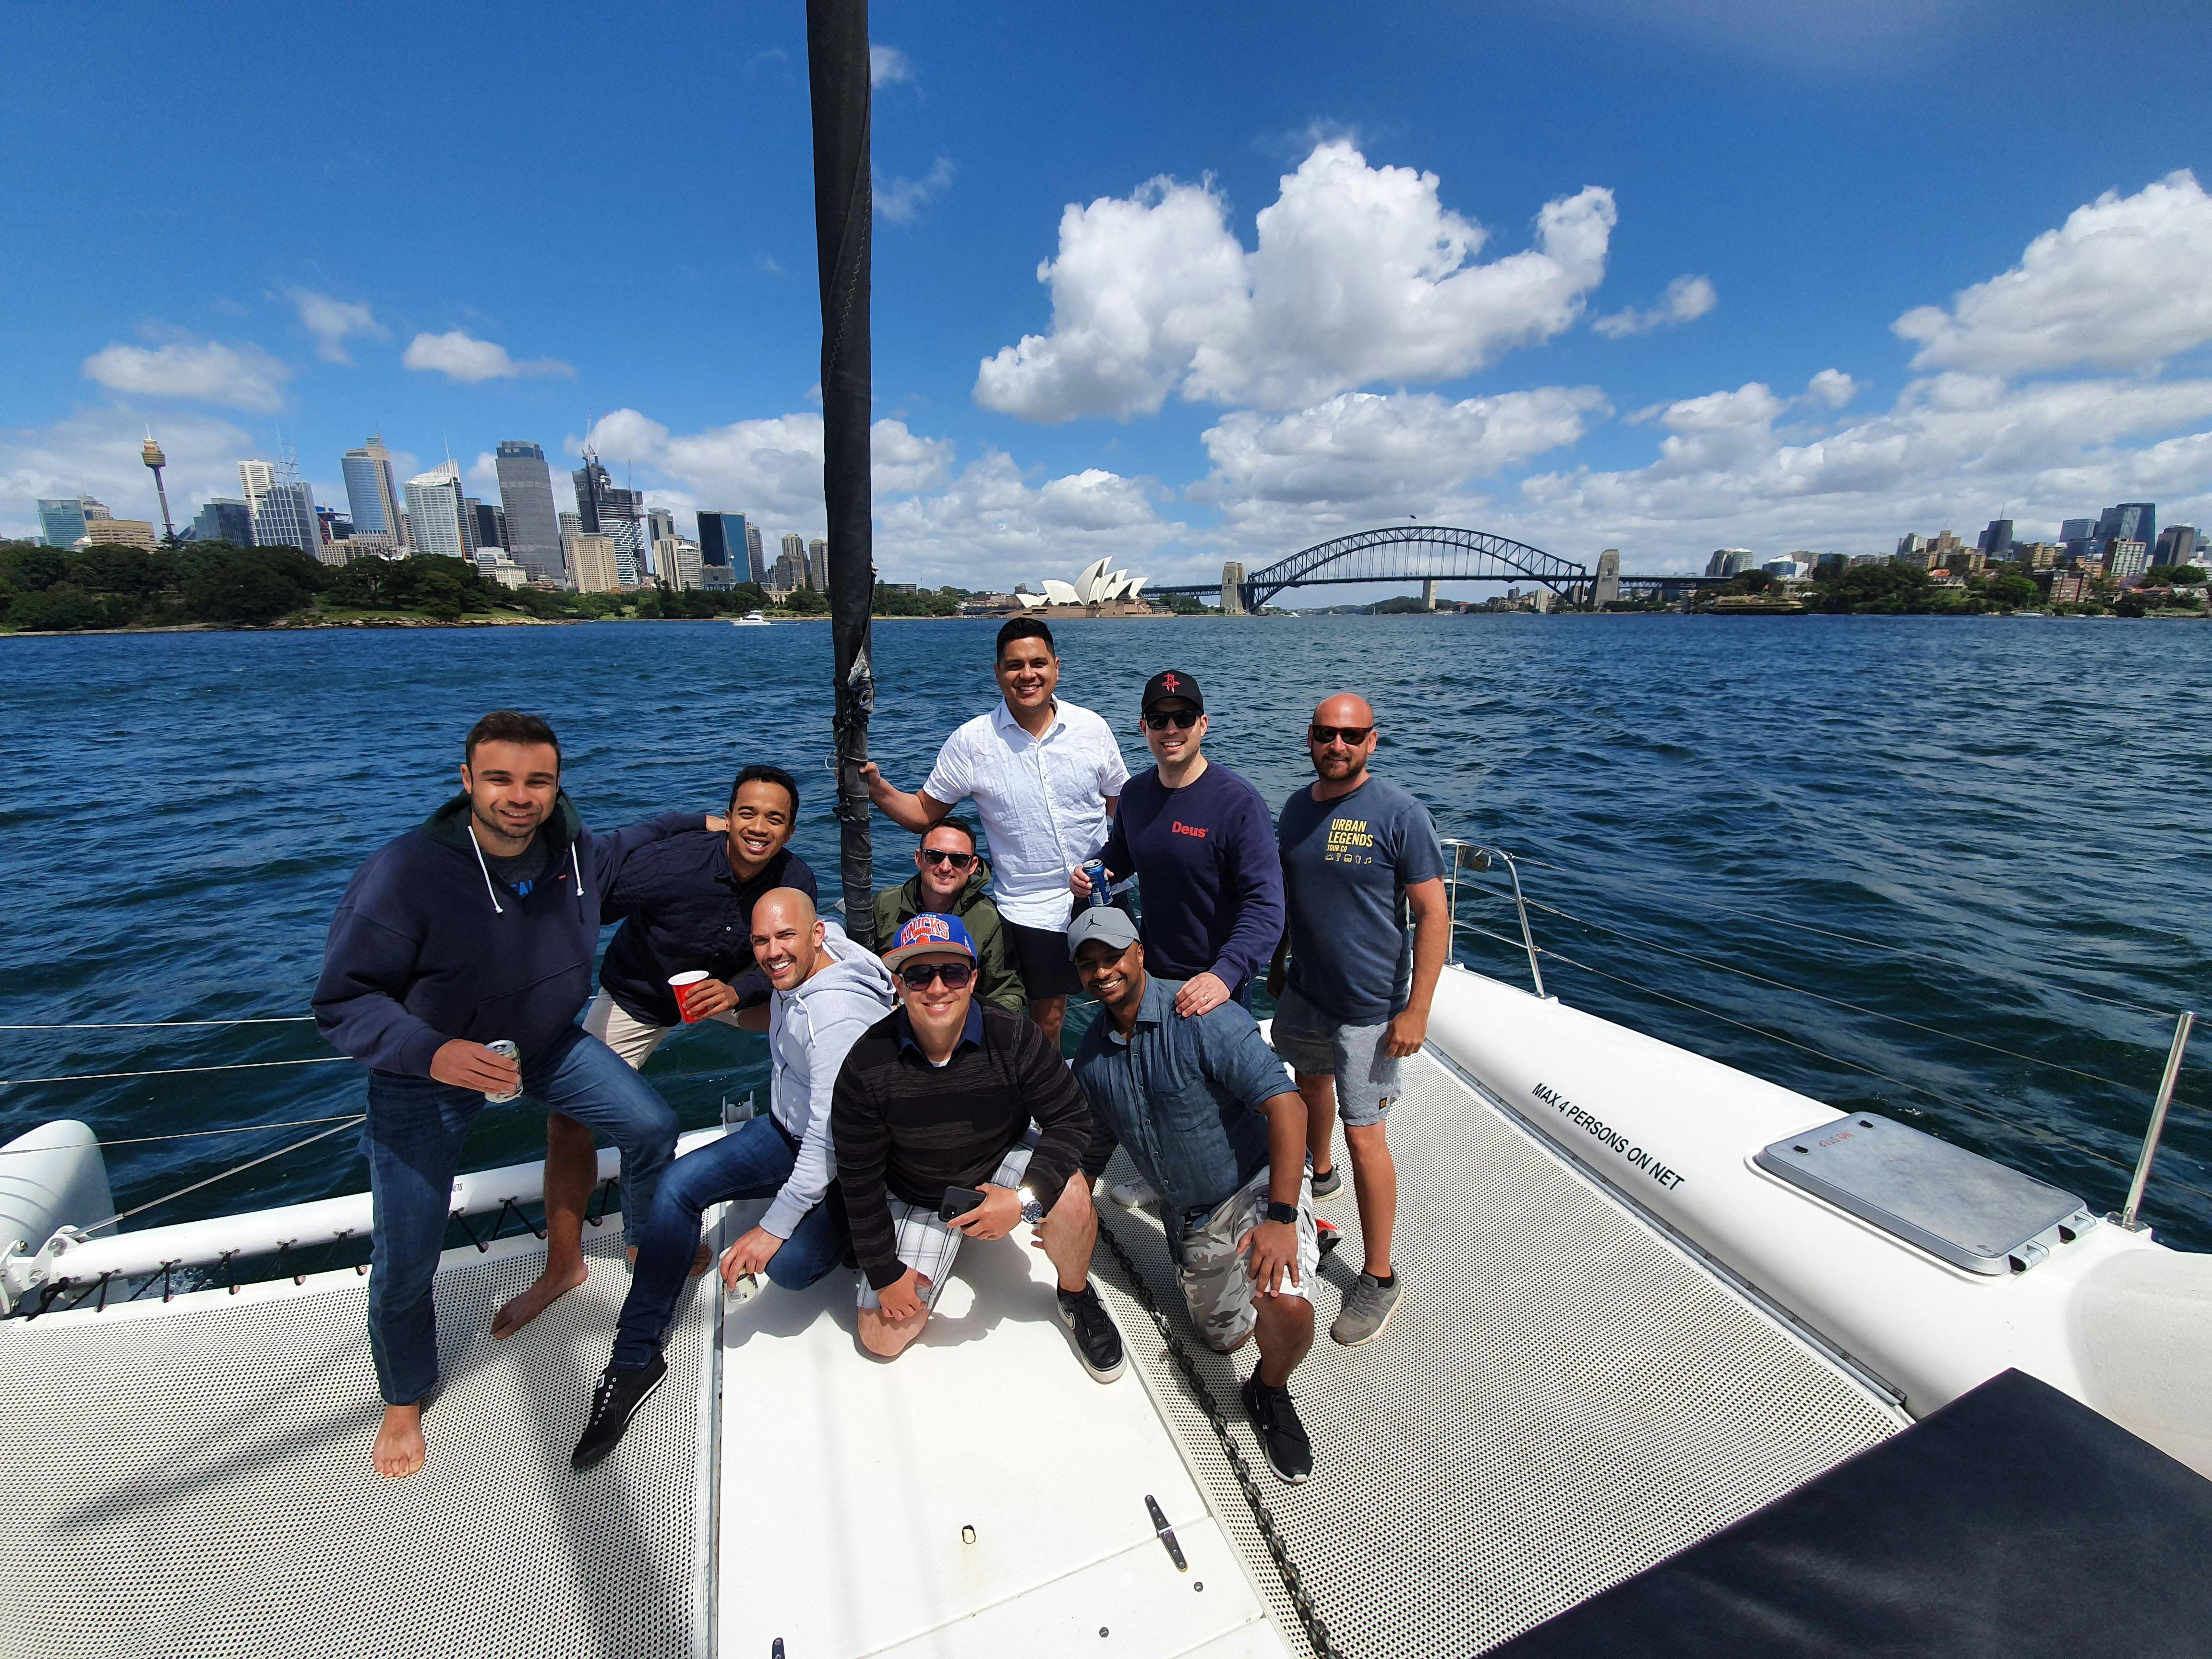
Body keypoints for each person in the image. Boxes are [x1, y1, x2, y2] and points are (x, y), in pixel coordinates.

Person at [313, 709, 709, 1479]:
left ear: (557, 785)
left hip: (546, 1044)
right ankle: (404, 1396)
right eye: (499, 779)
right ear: (467, 781)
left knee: (651, 1125)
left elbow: (641, 836)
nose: (519, 797)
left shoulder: (577, 854)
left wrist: (705, 823)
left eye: (538, 781)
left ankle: (635, 1242)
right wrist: (433, 1051)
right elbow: (343, 1002)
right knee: (407, 1255)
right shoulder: (406, 872)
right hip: (427, 1073)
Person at [571, 887, 894, 1468]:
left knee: (789, 1266)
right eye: (761, 940)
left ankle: (859, 1235)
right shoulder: (819, 960)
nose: (772, 953)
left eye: (786, 937)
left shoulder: (836, 1018)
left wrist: (773, 1227)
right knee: (676, 1185)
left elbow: (831, 1140)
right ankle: (634, 1358)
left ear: (817, 934)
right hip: (788, 1131)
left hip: (851, 1163)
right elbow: (786, 1001)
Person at [492, 763, 815, 1340]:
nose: (759, 828)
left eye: (774, 819)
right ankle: (565, 1265)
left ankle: (813, 1161)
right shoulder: (676, 863)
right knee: (569, 1118)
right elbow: (587, 906)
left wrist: (738, 990)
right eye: (747, 813)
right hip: (639, 996)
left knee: (812, 1020)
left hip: (721, 993)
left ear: (790, 830)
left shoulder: (794, 879)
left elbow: (794, 955)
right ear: (728, 817)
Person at [1069, 908, 1320, 1484]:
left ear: (1140, 952)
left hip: (1257, 1186)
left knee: (1283, 1301)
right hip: (1192, 1217)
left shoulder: (1201, 1013)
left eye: (1113, 956)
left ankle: (1269, 1390)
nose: (1102, 972)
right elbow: (1091, 1153)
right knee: (1220, 1340)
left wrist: (1281, 1218)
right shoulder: (1092, 1061)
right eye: (1088, 964)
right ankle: (1289, 1248)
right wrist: (1047, 1206)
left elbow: (1288, 1107)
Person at [831, 913, 1123, 1379]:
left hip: (997, 1162)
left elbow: (1070, 1118)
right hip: (918, 1194)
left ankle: (1075, 1295)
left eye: (952, 972)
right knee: (881, 1339)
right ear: (898, 984)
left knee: (1070, 1194)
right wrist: (885, 1273)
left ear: (973, 978)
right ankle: (950, 1238)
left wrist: (1023, 1201)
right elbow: (859, 1180)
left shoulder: (1014, 1035)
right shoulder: (865, 1065)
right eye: (919, 975)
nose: (937, 988)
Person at [1267, 693, 1450, 1348]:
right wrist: (1280, 962)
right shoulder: (1296, 808)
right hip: (1307, 990)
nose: (1337, 746)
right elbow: (1294, 898)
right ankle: (1321, 1174)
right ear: (1310, 738)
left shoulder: (1401, 814)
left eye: (1351, 735)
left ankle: (1379, 1276)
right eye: (1326, 734)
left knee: (1366, 1133)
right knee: (1308, 1081)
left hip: (1370, 1007)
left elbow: (1433, 914)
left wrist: (1416, 1009)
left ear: (1372, 741)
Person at [1070, 668, 1284, 1212]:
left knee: (1226, 1097)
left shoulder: (1238, 802)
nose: (1171, 730)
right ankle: (1164, 1175)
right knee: (1158, 1084)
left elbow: (1266, 905)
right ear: (1143, 727)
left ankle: (1265, 1187)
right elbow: (1122, 856)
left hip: (1215, 978)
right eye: (1159, 719)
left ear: (1203, 724)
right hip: (1152, 973)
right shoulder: (1136, 794)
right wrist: (1096, 872)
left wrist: (1226, 974)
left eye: (1183, 718)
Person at [860, 617, 1128, 1047]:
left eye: (1038, 663)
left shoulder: (1092, 728)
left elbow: (1123, 810)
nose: (1028, 675)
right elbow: (923, 813)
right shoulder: (972, 742)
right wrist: (876, 788)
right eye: (1014, 665)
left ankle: (1124, 1078)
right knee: (1047, 1018)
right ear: (998, 673)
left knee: (1124, 996)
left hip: (1102, 890)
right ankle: (1046, 1089)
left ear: (1056, 668)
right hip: (1030, 907)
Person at [871, 817, 1026, 1014]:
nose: (945, 867)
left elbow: (1006, 991)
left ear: (972, 865)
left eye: (958, 859)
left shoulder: (990, 919)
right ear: (919, 858)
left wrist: (980, 1022)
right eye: (934, 856)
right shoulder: (884, 904)